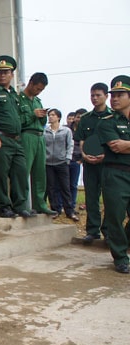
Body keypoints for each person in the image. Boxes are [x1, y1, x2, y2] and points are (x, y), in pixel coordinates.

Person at [0, 55, 33, 218]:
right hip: (1, 138)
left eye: (6, 72)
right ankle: (3, 205)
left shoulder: (14, 95)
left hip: (17, 140)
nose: (2, 75)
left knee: (20, 172)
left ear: (12, 74)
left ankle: (20, 205)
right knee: (1, 173)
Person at [97, 75, 130, 274]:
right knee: (115, 217)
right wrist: (124, 146)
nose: (115, 99)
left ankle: (124, 242)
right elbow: (116, 147)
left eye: (120, 94)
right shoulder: (107, 123)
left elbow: (124, 146)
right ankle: (120, 257)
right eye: (113, 95)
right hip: (115, 174)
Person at [76, 82, 113, 244]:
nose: (95, 98)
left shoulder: (114, 117)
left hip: (108, 164)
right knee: (91, 198)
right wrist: (84, 155)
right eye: (92, 95)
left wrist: (105, 156)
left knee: (110, 198)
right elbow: (82, 140)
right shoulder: (85, 119)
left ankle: (108, 231)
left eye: (98, 95)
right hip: (90, 165)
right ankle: (92, 231)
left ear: (106, 96)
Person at [19, 72, 56, 216]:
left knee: (40, 172)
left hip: (40, 136)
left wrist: (42, 116)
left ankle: (40, 203)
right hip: (26, 136)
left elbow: (42, 122)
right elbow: (18, 121)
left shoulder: (37, 101)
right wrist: (32, 114)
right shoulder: (18, 99)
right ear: (31, 83)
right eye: (37, 88)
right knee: (24, 172)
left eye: (41, 90)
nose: (38, 91)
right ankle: (23, 205)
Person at [44, 109, 78, 222]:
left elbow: (70, 145)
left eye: (53, 115)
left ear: (58, 117)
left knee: (65, 187)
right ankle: (55, 209)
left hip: (62, 162)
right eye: (49, 115)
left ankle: (69, 211)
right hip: (48, 162)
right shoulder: (45, 131)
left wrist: (68, 158)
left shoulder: (66, 130)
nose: (50, 117)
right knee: (51, 187)